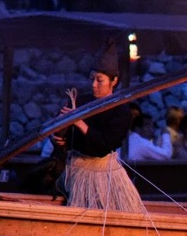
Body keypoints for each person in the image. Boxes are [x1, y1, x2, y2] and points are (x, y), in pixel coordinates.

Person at [51, 40, 142, 211]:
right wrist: (58, 138)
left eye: (99, 80)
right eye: (91, 78)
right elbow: (61, 136)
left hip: (104, 172)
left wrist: (78, 122)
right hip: (76, 170)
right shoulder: (78, 102)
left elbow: (103, 147)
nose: (93, 84)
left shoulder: (121, 111)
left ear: (113, 81)